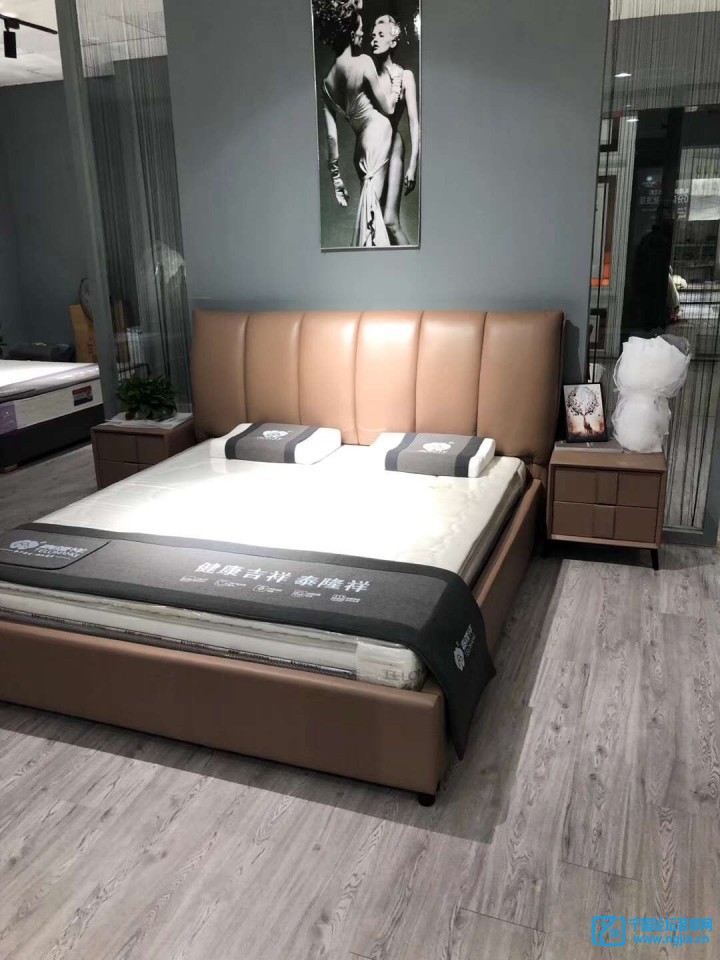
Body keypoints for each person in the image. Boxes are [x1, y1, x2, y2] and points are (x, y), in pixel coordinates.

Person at [314, 0, 402, 246]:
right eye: (361, 28)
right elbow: (389, 108)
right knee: (374, 221)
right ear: (351, 32)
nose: (364, 33)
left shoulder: (325, 84)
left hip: (359, 152)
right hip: (378, 134)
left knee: (371, 216)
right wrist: (396, 81)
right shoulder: (363, 62)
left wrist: (337, 180)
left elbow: (331, 138)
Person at [370, 14, 419, 246]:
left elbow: (414, 122)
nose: (375, 39)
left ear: (394, 41)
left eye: (381, 35)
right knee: (372, 217)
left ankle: (415, 262)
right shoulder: (369, 76)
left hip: (393, 145)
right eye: (373, 35)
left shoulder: (405, 76)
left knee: (390, 221)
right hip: (373, 148)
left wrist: (413, 165)